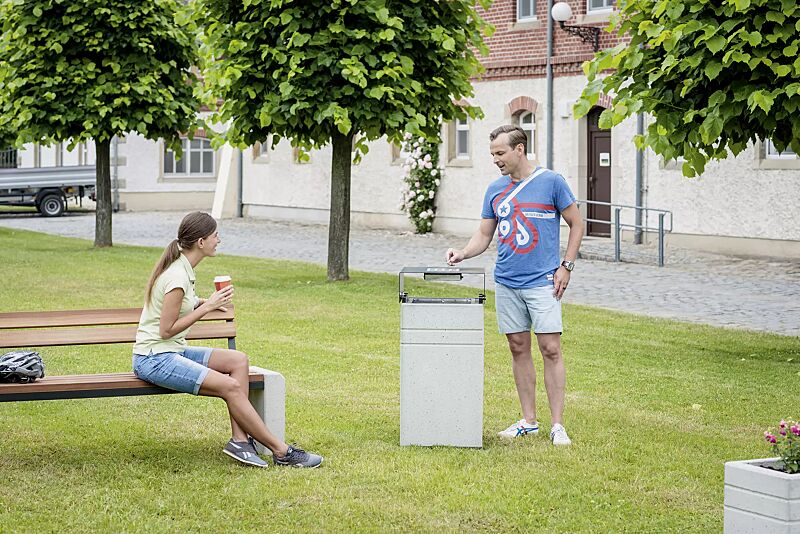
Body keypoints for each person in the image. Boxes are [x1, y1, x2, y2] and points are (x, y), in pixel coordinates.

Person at [132, 211, 323, 468]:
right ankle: (282, 451)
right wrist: (207, 307)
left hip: (171, 351)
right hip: (154, 358)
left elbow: (182, 305)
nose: (218, 240)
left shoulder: (183, 269)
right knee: (230, 387)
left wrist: (205, 301)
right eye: (215, 235)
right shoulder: (176, 277)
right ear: (201, 242)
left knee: (238, 360)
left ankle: (240, 441)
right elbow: (166, 330)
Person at [446, 125, 584, 446]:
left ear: (519, 149)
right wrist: (463, 253)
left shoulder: (552, 182)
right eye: (492, 154)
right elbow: (485, 234)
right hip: (507, 282)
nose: (495, 159)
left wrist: (566, 266)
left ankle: (557, 425)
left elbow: (577, 224)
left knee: (550, 349)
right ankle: (529, 421)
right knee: (517, 347)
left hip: (543, 282)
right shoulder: (495, 189)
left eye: (500, 153)